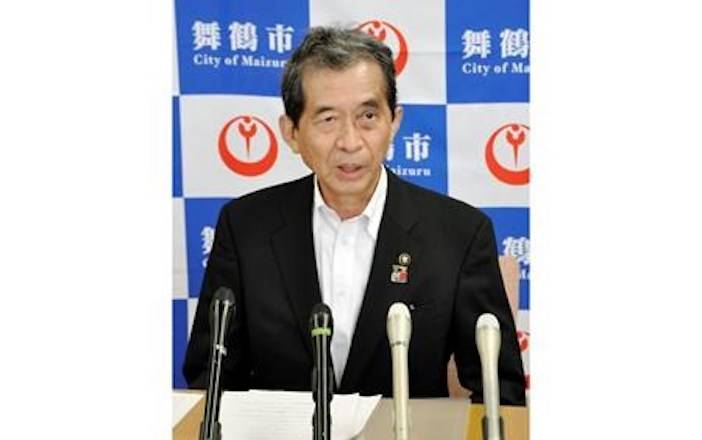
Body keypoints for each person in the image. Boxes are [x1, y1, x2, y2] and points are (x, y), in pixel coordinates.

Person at [183, 26, 526, 405]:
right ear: (292, 132)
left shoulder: (458, 234)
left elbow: (500, 395)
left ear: (393, 122)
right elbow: (210, 380)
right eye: (328, 120)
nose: (350, 142)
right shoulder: (245, 227)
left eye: (367, 116)